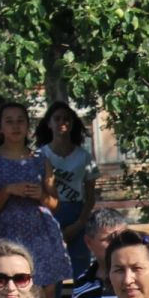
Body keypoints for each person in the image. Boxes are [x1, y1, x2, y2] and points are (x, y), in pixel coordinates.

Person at [0, 102, 71, 298]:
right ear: (1, 127)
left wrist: (41, 195)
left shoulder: (41, 159)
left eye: (20, 121)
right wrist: (7, 191)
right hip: (9, 233)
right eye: (9, 122)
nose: (15, 127)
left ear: (28, 126)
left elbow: (54, 204)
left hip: (40, 231)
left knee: (46, 292)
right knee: (11, 290)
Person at [36, 102, 97, 276]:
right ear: (49, 123)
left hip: (77, 211)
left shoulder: (84, 156)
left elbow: (91, 196)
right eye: (57, 118)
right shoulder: (40, 155)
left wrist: (80, 223)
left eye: (67, 119)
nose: (62, 122)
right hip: (48, 211)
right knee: (50, 269)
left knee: (81, 268)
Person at [67, 207, 125, 298]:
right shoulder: (82, 284)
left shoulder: (137, 278)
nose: (117, 244)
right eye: (108, 239)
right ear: (89, 242)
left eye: (122, 237)